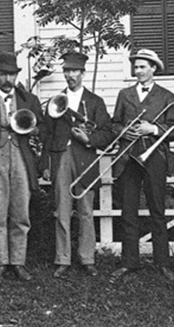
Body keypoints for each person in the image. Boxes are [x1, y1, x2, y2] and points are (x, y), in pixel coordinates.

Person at [109, 49, 174, 284]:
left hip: (155, 157)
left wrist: (153, 129)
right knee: (128, 210)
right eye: (136, 67)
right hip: (129, 157)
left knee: (157, 210)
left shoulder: (166, 96)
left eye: (142, 67)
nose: (137, 71)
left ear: (153, 69)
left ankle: (163, 263)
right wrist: (124, 131)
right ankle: (129, 262)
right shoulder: (124, 94)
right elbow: (114, 125)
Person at [0, 51, 44, 283]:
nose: (7, 79)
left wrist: (32, 129)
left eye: (11, 74)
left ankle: (18, 262)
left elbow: (41, 128)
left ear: (16, 75)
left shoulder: (29, 100)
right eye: (2, 74)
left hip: (22, 158)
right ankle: (0, 262)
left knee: (21, 212)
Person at [41, 51, 113, 279]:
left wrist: (89, 139)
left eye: (74, 71)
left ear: (83, 73)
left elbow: (107, 133)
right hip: (62, 156)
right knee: (62, 210)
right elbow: (47, 135)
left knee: (86, 211)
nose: (69, 75)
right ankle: (62, 259)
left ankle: (87, 258)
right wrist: (45, 163)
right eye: (66, 71)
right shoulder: (56, 101)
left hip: (86, 158)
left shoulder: (95, 102)